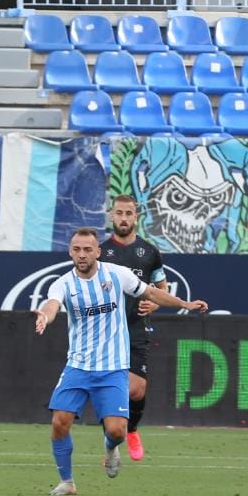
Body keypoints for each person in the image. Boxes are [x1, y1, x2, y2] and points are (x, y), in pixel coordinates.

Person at [34, 228, 207, 496]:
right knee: (59, 421)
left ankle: (110, 448)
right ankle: (67, 482)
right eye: (77, 249)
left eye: (87, 249)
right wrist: (46, 316)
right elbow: (52, 304)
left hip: (113, 367)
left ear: (97, 252)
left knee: (116, 431)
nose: (82, 254)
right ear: (70, 252)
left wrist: (185, 303)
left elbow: (151, 293)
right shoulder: (63, 283)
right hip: (78, 366)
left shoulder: (116, 275)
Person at [99, 195, 168, 462]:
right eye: (119, 213)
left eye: (129, 213)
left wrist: (155, 306)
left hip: (136, 329)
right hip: (105, 332)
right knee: (109, 388)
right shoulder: (100, 252)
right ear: (111, 216)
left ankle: (132, 430)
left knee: (137, 389)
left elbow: (162, 289)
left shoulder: (149, 252)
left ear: (136, 217)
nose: (124, 218)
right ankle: (111, 442)